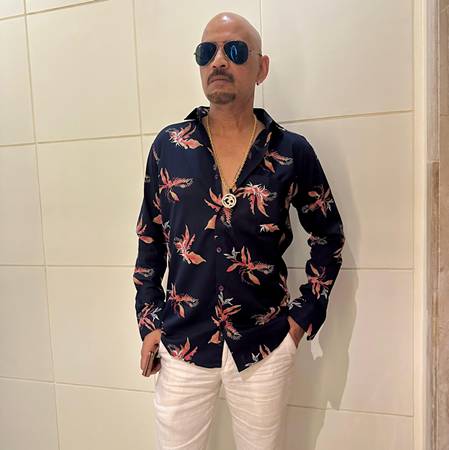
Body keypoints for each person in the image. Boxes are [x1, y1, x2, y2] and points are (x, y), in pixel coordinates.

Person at [133, 11, 345, 450]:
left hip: (264, 345)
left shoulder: (291, 152)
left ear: (261, 68)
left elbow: (328, 236)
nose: (218, 62)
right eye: (206, 52)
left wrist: (300, 321)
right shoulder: (169, 147)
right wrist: (149, 321)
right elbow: (149, 239)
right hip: (183, 343)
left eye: (234, 50)